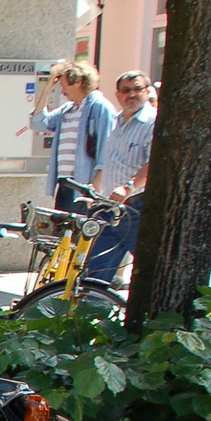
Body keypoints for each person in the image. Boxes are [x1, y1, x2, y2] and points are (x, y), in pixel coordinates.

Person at [85, 70, 157, 282]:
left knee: (148, 269)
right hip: (110, 208)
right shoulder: (117, 122)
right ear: (118, 94)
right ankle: (94, 311)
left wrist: (128, 187)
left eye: (137, 89)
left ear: (147, 92)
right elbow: (110, 163)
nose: (132, 94)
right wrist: (97, 194)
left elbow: (155, 162)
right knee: (95, 270)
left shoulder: (153, 122)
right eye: (126, 90)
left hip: (138, 207)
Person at [28, 60, 115, 212]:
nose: (62, 91)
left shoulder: (100, 107)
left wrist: (94, 190)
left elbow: (106, 151)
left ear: (78, 82)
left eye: (63, 85)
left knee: (77, 235)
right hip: (65, 184)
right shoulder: (67, 110)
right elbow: (37, 122)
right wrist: (48, 87)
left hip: (84, 187)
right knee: (62, 234)